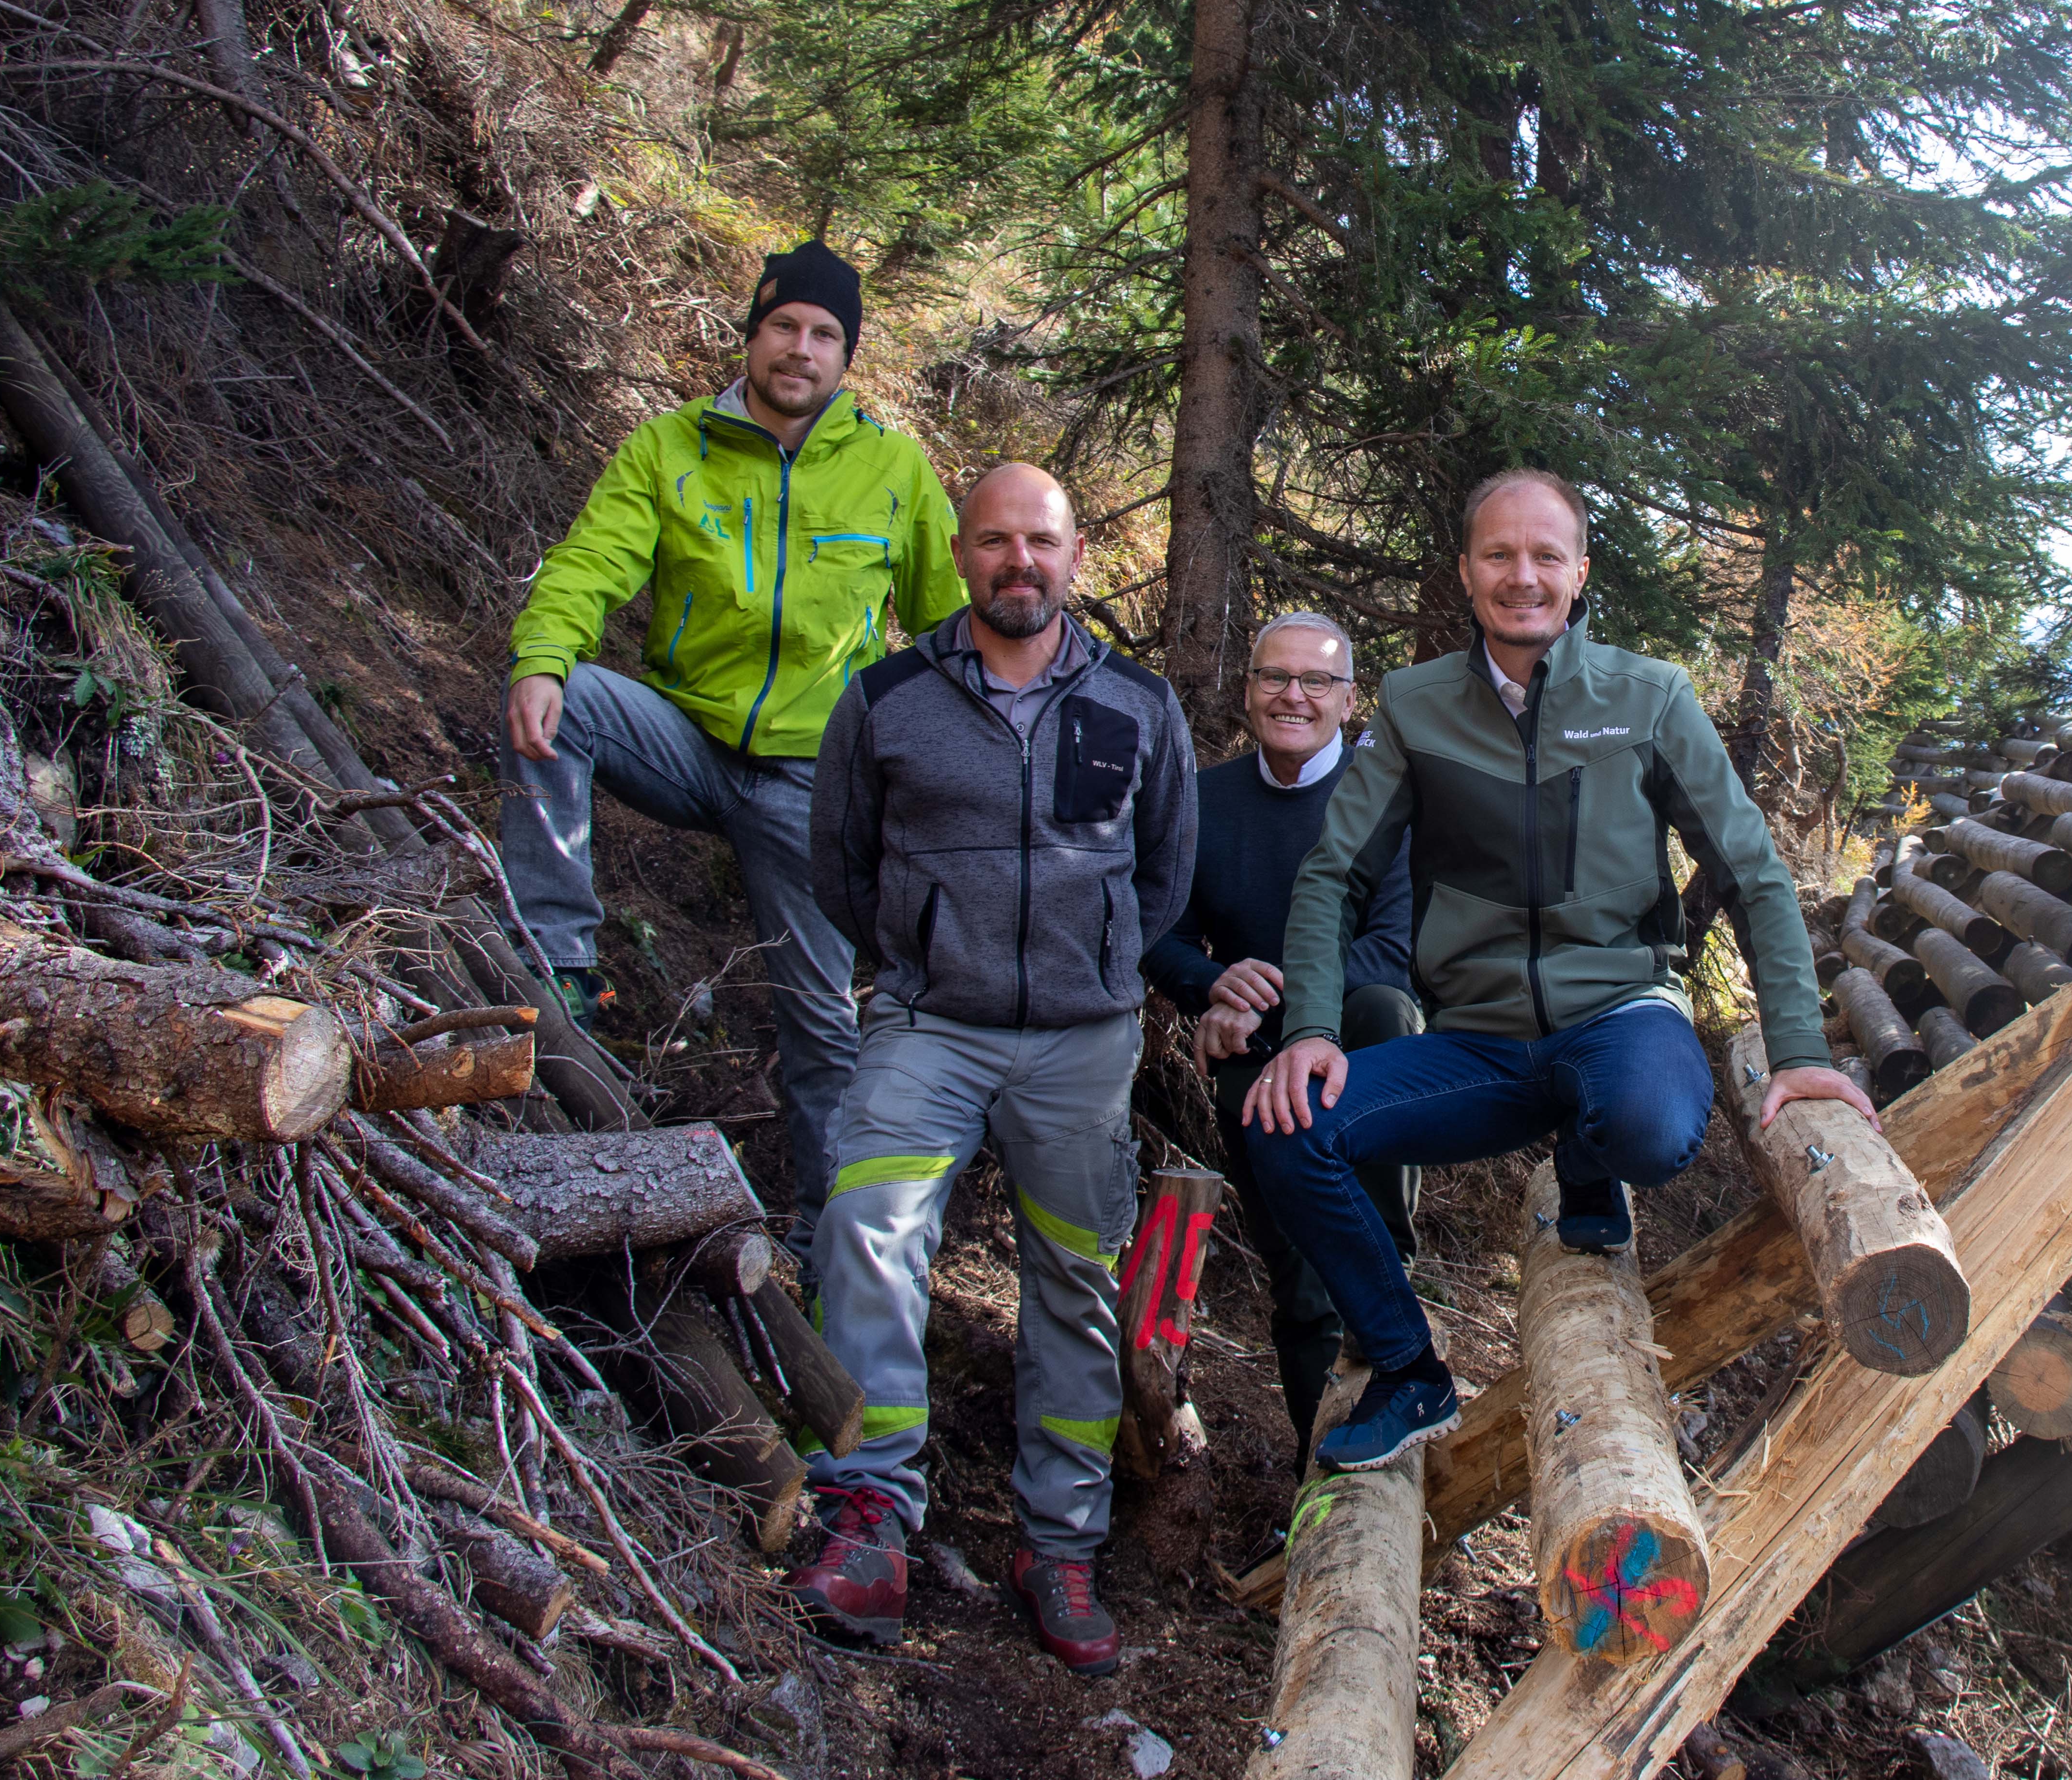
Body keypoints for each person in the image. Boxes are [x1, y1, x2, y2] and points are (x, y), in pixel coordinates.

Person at [1241, 468, 1878, 1472]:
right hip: (1480, 1041)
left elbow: (1753, 870)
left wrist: (1798, 1045)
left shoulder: (1650, 697)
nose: (1522, 576)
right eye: (1499, 554)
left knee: (1650, 1127)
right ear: (1466, 572)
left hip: (1620, 1010)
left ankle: (1589, 1161)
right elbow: (1330, 876)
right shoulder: (1415, 706)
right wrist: (1313, 1029)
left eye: (1546, 556)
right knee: (1288, 1127)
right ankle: (1410, 1369)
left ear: (1580, 574)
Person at [794, 463, 1196, 1675]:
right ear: (960, 553)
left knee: (1075, 1282)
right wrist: (924, 956)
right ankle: (869, 1514)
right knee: (868, 1220)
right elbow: (843, 868)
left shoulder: (1140, 703)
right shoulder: (889, 699)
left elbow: (1165, 875)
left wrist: (1101, 968)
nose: (1020, 562)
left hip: (1083, 1042)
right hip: (933, 1026)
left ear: (1077, 556)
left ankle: (1058, 1543)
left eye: (1044, 542)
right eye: (994, 542)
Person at [499, 241, 965, 1242]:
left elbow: (945, 633)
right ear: (752, 335)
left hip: (811, 779)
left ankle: (823, 1245)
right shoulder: (668, 448)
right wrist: (541, 653)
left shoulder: (893, 468)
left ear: (848, 357)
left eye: (825, 334)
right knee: (568, 696)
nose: (801, 348)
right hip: (684, 739)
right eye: (784, 326)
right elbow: (589, 566)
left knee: (821, 1025)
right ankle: (559, 955)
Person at [1142, 611, 1421, 1444]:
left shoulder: (1389, 803)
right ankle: (1322, 1477)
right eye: (1275, 678)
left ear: (1347, 700)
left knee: (1383, 1013)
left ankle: (1395, 1333)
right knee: (1301, 1285)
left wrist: (1288, 1006)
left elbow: (1394, 952)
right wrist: (1210, 983)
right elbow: (1156, 930)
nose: (1292, 696)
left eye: (1316, 682)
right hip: (1251, 1057)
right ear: (1248, 688)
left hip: (1361, 1056)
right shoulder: (1204, 800)